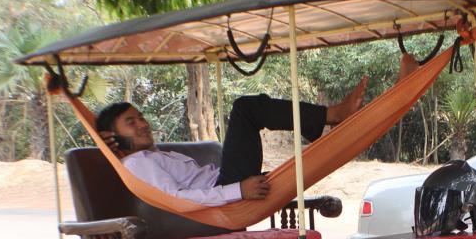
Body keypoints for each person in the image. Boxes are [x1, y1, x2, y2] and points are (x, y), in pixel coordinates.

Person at [96, 54, 419, 207]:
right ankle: (333, 115)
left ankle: (349, 111)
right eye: (131, 122)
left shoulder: (146, 156)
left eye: (140, 117)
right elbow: (181, 199)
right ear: (117, 138)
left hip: (226, 181)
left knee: (253, 115)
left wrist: (116, 143)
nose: (142, 123)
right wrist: (239, 191)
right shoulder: (136, 164)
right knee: (245, 109)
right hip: (226, 187)